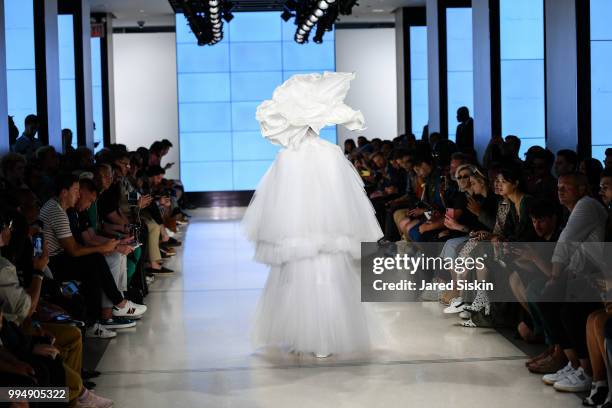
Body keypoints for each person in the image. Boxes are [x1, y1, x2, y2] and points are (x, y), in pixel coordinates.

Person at [241, 72, 386, 358]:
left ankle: (299, 337)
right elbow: (344, 194)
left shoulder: (287, 156)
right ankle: (324, 341)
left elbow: (275, 199)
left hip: (295, 233)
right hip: (330, 230)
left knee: (296, 282)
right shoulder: (331, 153)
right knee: (328, 280)